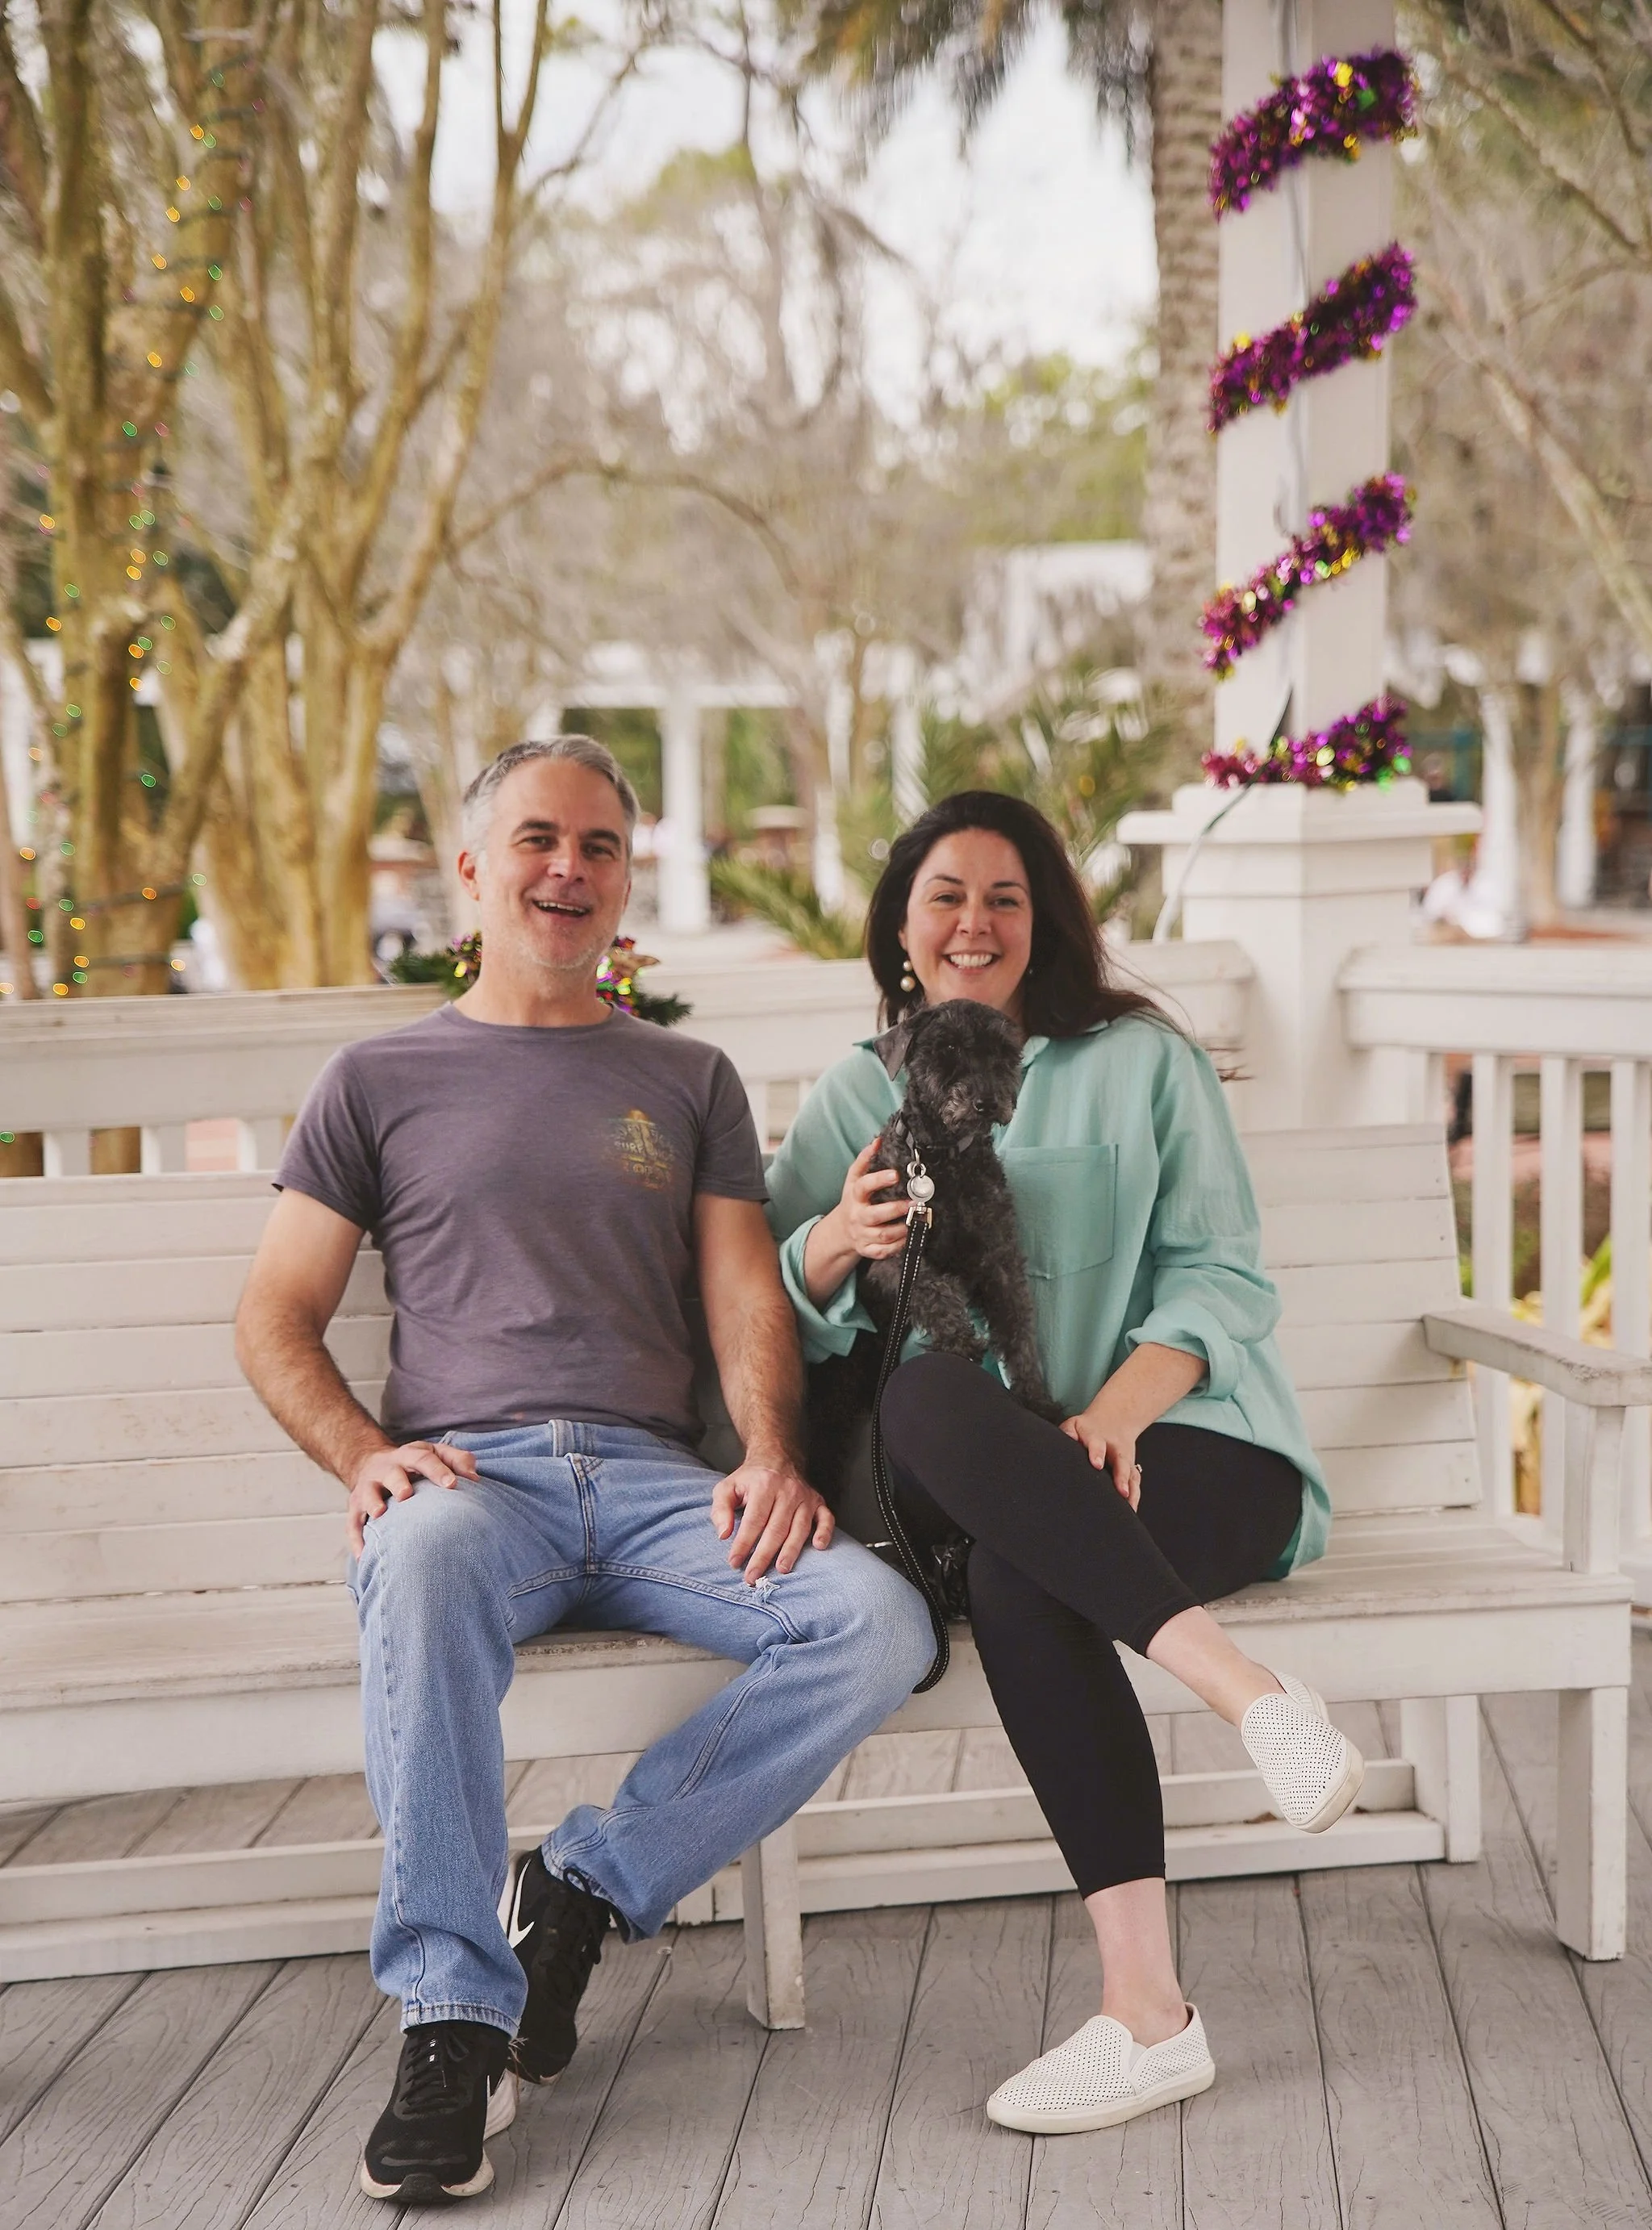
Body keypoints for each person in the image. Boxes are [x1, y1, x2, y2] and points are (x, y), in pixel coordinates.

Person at [236, 737, 933, 2205]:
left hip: (659, 1481)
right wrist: (366, 1458)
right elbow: (273, 1314)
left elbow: (751, 1293)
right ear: (472, 872)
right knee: (416, 1555)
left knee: (880, 1624)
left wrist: (768, 1455)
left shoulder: (685, 1077)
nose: (572, 869)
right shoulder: (377, 1078)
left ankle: (585, 1884)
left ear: (626, 882)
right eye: (540, 841)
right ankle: (452, 2017)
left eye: (602, 846)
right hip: (474, 1489)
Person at [766, 791, 1358, 2137]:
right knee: (926, 1397)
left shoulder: (1144, 1060)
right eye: (946, 898)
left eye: (1006, 897)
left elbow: (1220, 1275)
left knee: (1032, 1576)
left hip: (1189, 1446)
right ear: (903, 929)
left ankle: (1150, 2018)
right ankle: (1252, 1696)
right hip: (983, 1460)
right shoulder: (859, 1089)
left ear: (1046, 922)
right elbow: (769, 1297)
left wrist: (1123, 1413)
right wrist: (834, 1244)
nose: (975, 921)